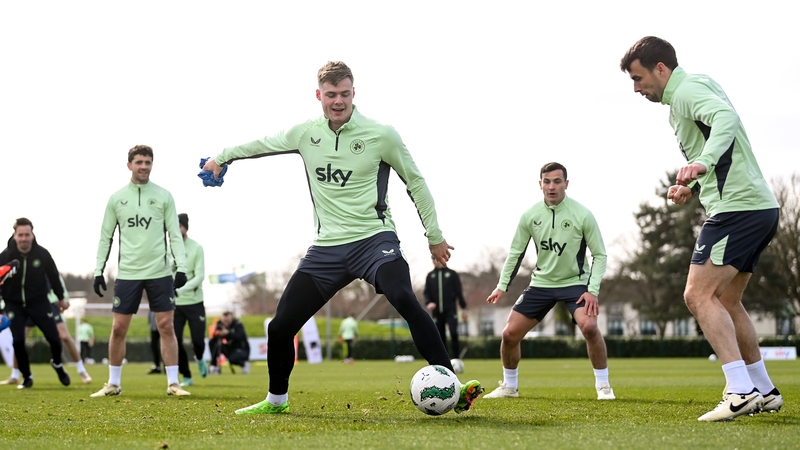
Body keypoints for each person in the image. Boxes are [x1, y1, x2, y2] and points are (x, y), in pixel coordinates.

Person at [200, 61, 483, 415]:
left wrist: (435, 235)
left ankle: (453, 390)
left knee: (402, 296)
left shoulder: (382, 134)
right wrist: (220, 158)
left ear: (354, 93)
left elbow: (416, 182)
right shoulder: (306, 133)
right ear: (319, 95)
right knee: (281, 325)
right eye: (331, 95)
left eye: (345, 94)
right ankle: (276, 402)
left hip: (374, 241)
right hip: (327, 250)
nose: (338, 101)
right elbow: (262, 144)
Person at [620, 36, 783, 421]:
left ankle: (739, 392)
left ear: (661, 69)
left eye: (639, 78)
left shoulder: (687, 91)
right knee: (726, 301)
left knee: (697, 294)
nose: (636, 88)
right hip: (759, 207)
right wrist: (690, 184)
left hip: (736, 209)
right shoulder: (694, 88)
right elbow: (716, 137)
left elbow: (726, 120)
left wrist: (704, 163)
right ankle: (763, 388)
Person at [483, 162, 614, 401]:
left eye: (557, 181)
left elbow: (600, 255)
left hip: (576, 283)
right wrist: (502, 286)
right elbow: (516, 253)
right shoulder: (530, 216)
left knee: (590, 327)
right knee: (509, 334)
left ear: (566, 183)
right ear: (540, 184)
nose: (551, 186)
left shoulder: (582, 214)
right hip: (541, 284)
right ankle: (509, 387)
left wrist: (592, 290)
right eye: (547, 181)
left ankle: (603, 386)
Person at [91, 144, 190, 397]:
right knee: (118, 328)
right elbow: (106, 237)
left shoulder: (164, 196)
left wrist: (181, 267)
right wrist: (98, 270)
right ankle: (113, 384)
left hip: (160, 272)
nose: (144, 166)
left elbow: (175, 236)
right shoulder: (116, 199)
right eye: (139, 162)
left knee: (166, 326)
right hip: (128, 273)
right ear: (129, 165)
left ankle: (173, 383)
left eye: (148, 162)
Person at [0, 218, 71, 389]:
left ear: (32, 234)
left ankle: (57, 364)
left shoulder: (42, 254)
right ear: (15, 235)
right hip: (13, 304)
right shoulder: (5, 256)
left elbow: (54, 276)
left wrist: (61, 298)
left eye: (27, 234)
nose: (24, 238)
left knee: (54, 339)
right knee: (17, 341)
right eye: (20, 235)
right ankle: (27, 377)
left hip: (39, 302)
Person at [173, 213, 208, 387]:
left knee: (198, 341)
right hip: (175, 305)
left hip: (194, 302)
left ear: (185, 227)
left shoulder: (196, 248)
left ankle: (200, 358)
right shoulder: (166, 248)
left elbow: (199, 275)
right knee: (175, 341)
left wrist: (180, 290)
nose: (178, 229)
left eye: (180, 225)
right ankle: (186, 375)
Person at [424, 255, 467, 359]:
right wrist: (429, 302)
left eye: (438, 258)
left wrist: (463, 308)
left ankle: (456, 359)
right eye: (434, 259)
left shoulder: (452, 274)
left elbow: (458, 292)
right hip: (437, 311)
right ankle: (444, 360)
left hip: (450, 310)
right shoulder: (430, 276)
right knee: (440, 336)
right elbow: (426, 292)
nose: (436, 261)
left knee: (453, 332)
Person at [147, 310, 163, 374]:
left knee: (165, 345)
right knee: (154, 345)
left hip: (163, 324)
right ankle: (157, 366)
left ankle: (167, 365)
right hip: (154, 325)